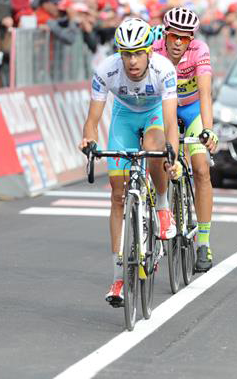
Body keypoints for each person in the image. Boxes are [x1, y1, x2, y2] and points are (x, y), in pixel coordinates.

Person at [78, 18, 180, 307]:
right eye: (126, 54)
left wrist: (170, 151)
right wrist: (88, 142)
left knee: (153, 148)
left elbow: (171, 120)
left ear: (149, 52)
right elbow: (92, 120)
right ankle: (119, 277)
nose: (132, 61)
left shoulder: (164, 70)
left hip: (154, 115)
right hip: (123, 118)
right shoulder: (106, 71)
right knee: (117, 193)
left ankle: (161, 205)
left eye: (137, 53)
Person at [152, 7, 218, 272]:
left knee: (201, 169)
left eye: (185, 38)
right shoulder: (153, 50)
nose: (179, 42)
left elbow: (205, 94)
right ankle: (154, 224)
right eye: (174, 36)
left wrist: (208, 130)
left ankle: (203, 242)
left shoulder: (199, 50)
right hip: (162, 109)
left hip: (191, 112)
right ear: (165, 35)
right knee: (156, 161)